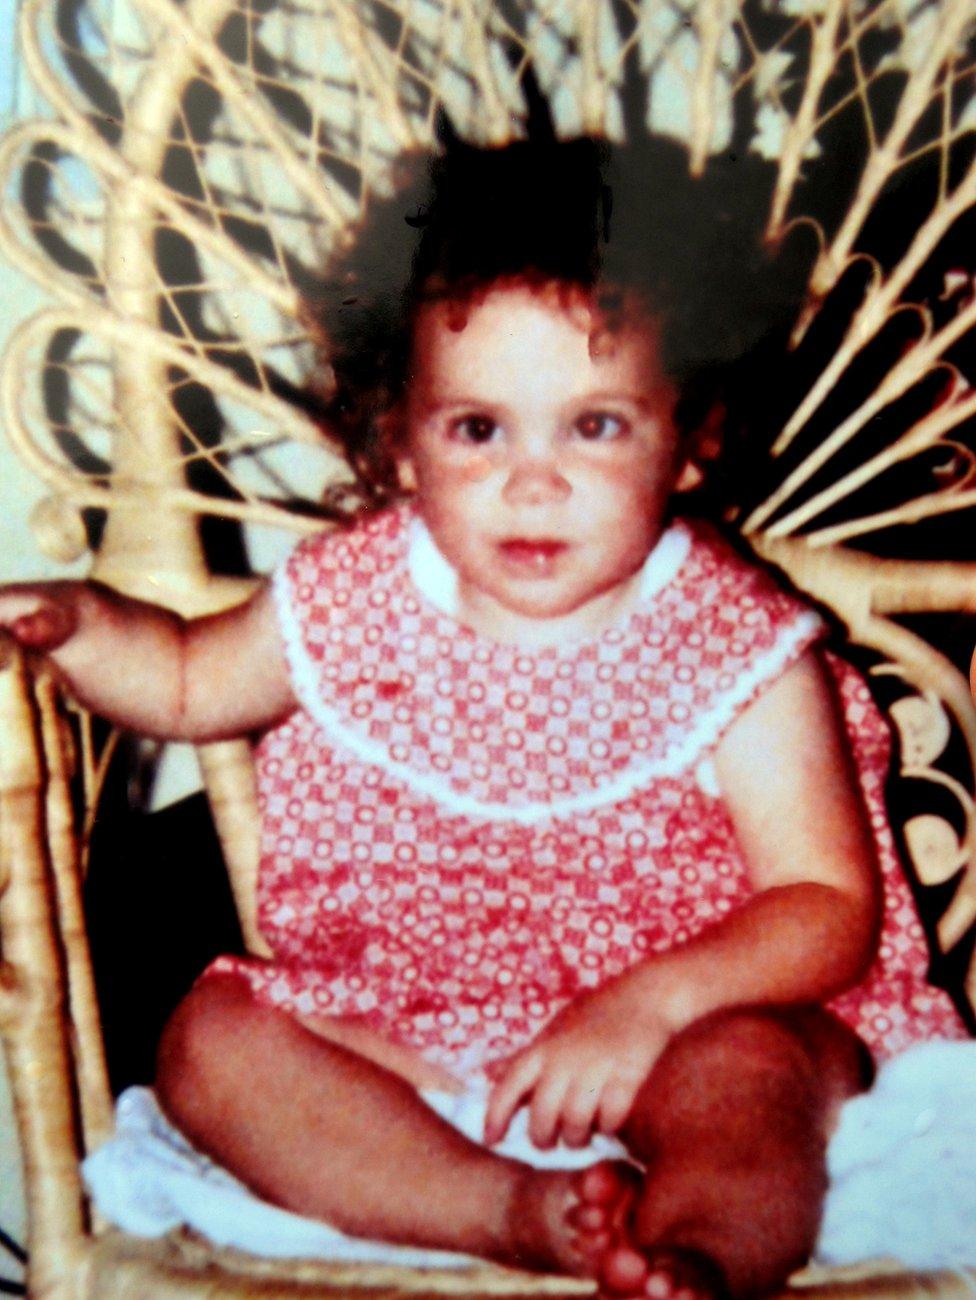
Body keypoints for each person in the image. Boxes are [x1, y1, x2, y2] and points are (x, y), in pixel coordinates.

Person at [0, 134, 968, 1299]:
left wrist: (643, 1007)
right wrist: (84, 623)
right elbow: (193, 683)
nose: (533, 479)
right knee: (211, 1040)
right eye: (477, 429)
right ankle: (511, 1210)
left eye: (594, 425)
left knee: (754, 1069)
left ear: (690, 436)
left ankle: (694, 1255)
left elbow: (823, 907)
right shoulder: (355, 597)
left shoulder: (734, 648)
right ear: (401, 440)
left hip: (686, 1026)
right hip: (417, 1047)